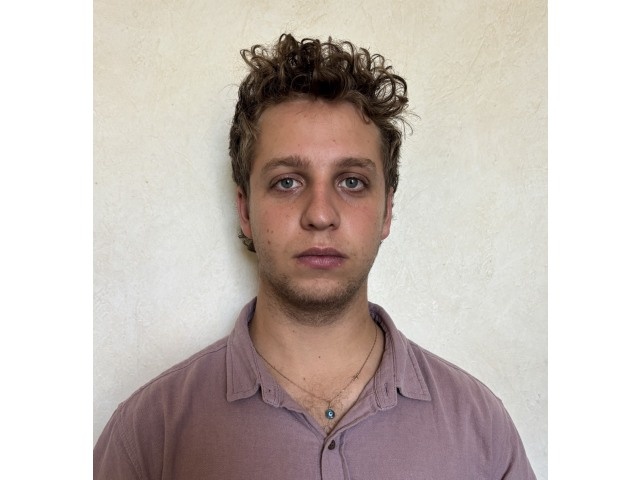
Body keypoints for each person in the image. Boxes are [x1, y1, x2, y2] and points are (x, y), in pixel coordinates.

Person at [94, 33, 536, 479]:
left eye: (352, 182)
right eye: (287, 182)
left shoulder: (481, 429)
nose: (321, 215)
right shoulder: (148, 436)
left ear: (387, 212)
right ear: (245, 211)